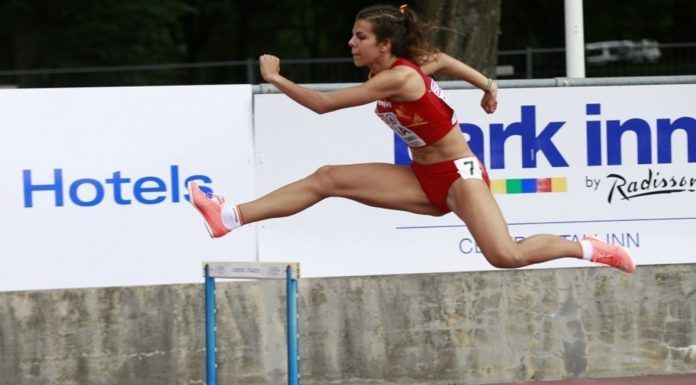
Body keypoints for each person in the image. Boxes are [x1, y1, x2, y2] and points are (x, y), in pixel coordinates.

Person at [187, 3, 634, 273]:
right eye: (353, 34)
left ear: (384, 45)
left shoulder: (397, 79)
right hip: (422, 178)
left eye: (360, 37)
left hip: (460, 178)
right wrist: (487, 85)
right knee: (327, 178)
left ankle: (588, 248)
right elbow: (443, 58)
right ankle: (230, 216)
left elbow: (324, 106)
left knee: (505, 256)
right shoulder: (407, 63)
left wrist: (275, 78)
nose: (351, 43)